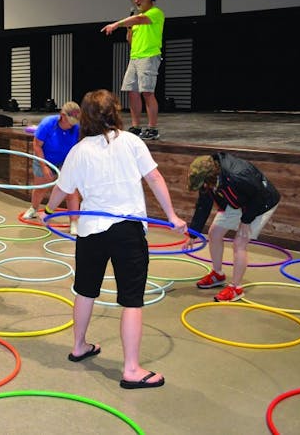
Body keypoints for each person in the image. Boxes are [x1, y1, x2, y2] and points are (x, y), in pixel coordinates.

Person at [43, 89, 186, 389]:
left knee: (85, 290)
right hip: (127, 229)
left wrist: (47, 210)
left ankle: (79, 345)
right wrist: (172, 217)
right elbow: (155, 179)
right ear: (114, 113)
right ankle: (131, 369)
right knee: (131, 301)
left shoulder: (79, 150)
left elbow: (61, 188)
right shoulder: (132, 142)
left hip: (91, 230)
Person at [186, 153, 280, 302]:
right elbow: (203, 205)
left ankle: (236, 288)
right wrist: (193, 233)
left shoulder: (238, 175)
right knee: (214, 233)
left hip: (260, 203)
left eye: (203, 184)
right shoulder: (207, 177)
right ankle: (218, 274)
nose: (202, 187)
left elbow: (258, 196)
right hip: (237, 200)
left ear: (210, 177)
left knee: (240, 242)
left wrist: (246, 220)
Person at [101, 0, 164, 141]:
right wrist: (128, 30)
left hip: (149, 56)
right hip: (135, 57)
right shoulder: (136, 21)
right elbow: (131, 41)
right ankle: (136, 126)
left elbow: (140, 19)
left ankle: (152, 128)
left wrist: (117, 24)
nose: (136, 2)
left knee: (147, 92)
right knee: (132, 92)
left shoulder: (155, 13)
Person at [21, 102, 81, 234]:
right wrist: (44, 166)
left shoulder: (77, 127)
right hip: (45, 158)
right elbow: (37, 145)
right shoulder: (48, 124)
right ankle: (34, 208)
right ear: (62, 116)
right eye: (70, 121)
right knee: (41, 188)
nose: (72, 124)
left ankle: (74, 222)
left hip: (67, 161)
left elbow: (80, 146)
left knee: (71, 191)